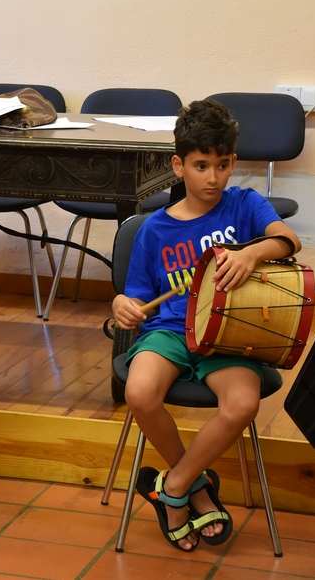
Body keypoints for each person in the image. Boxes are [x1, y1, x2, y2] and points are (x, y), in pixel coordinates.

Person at [111, 99, 301, 551]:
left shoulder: (244, 206)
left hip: (230, 337)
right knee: (139, 391)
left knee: (241, 404)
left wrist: (252, 252)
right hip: (172, 332)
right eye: (200, 165)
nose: (212, 177)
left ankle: (173, 487)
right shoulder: (154, 230)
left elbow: (289, 240)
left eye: (221, 164)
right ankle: (193, 487)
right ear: (179, 166)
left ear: (233, 162)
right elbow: (138, 298)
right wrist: (124, 303)